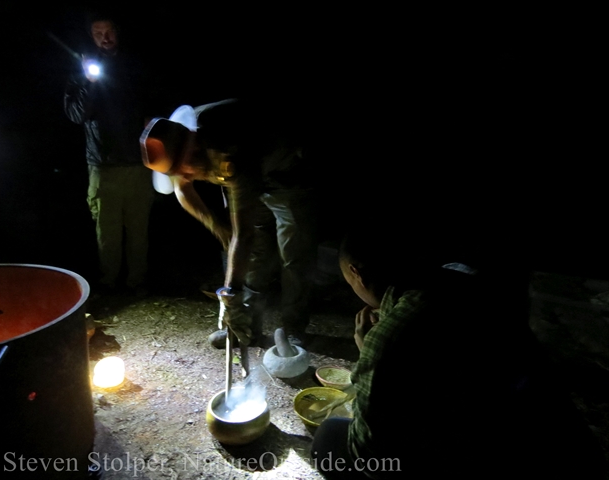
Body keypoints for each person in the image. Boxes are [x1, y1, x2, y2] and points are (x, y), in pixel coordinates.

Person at [310, 228, 606, 479]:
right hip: (548, 439)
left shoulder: (392, 335)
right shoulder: (466, 280)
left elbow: (369, 452)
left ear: (355, 273)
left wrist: (368, 352)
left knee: (328, 440)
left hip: (478, 455)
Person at [140, 99, 317, 347]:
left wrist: (229, 295)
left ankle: (293, 329)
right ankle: (245, 328)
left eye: (187, 170)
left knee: (294, 254)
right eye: (179, 172)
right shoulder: (175, 144)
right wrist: (217, 227)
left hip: (286, 175)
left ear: (195, 148)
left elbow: (242, 235)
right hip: (248, 179)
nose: (187, 176)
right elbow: (182, 190)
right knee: (255, 255)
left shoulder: (227, 148)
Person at [64, 13, 154, 296]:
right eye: (98, 33)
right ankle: (109, 284)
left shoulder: (134, 68)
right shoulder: (80, 74)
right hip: (102, 166)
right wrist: (90, 80)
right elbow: (77, 114)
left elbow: (152, 111)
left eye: (109, 31)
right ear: (91, 38)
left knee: (138, 231)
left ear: (118, 32)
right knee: (107, 234)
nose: (105, 37)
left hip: (138, 164)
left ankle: (137, 283)